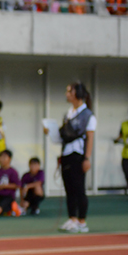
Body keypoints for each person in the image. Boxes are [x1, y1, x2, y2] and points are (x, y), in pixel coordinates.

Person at [46, 81, 95, 233]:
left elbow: (90, 138)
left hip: (78, 155)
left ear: (77, 93)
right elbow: (63, 135)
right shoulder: (69, 113)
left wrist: (87, 158)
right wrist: (51, 132)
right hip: (66, 153)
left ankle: (82, 221)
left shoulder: (88, 115)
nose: (67, 94)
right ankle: (72, 218)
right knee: (69, 188)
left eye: (69, 91)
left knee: (79, 188)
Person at [0, 149, 19, 217]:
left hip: (7, 196)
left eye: (4, 157)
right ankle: (5, 210)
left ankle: (13, 207)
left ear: (9, 159)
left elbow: (17, 185)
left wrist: (5, 186)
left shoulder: (13, 171)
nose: (2, 159)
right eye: (1, 157)